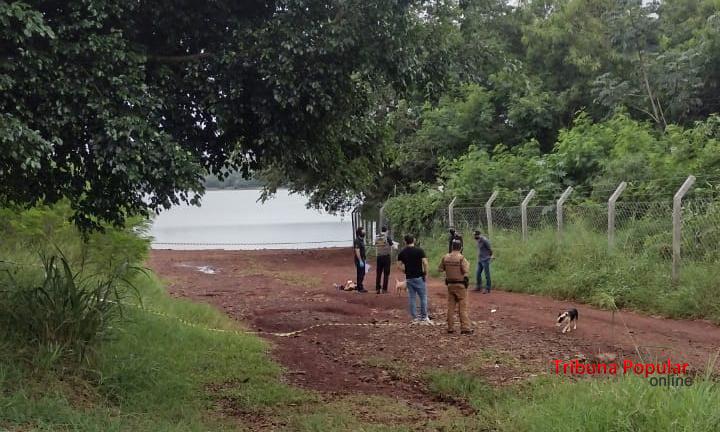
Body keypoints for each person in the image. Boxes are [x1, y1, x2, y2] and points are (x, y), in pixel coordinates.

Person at [438, 240, 473, 334]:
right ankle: (465, 327)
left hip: (450, 285)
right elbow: (465, 270)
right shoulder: (461, 258)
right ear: (461, 247)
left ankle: (450, 327)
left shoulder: (445, 257)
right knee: (463, 307)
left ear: (452, 247)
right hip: (460, 285)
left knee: (451, 307)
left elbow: (440, 269)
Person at [397, 234, 431, 324]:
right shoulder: (419, 250)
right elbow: (425, 263)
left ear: (405, 242)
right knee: (423, 297)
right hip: (419, 277)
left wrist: (405, 271)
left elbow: (398, 265)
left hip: (409, 278)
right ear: (414, 240)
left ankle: (414, 317)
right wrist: (425, 273)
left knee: (412, 297)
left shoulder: (402, 252)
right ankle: (424, 316)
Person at [374, 226, 393, 294]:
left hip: (379, 257)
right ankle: (384, 289)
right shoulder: (387, 237)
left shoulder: (377, 237)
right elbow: (392, 245)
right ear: (387, 231)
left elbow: (375, 245)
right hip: (386, 257)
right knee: (386, 273)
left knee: (378, 273)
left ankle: (377, 289)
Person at [353, 227, 369, 293]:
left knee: (362, 273)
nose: (364, 232)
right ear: (359, 232)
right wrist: (360, 261)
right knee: (360, 274)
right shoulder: (357, 240)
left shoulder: (361, 240)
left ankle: (360, 286)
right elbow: (357, 251)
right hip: (359, 260)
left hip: (362, 259)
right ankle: (360, 288)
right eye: (363, 231)